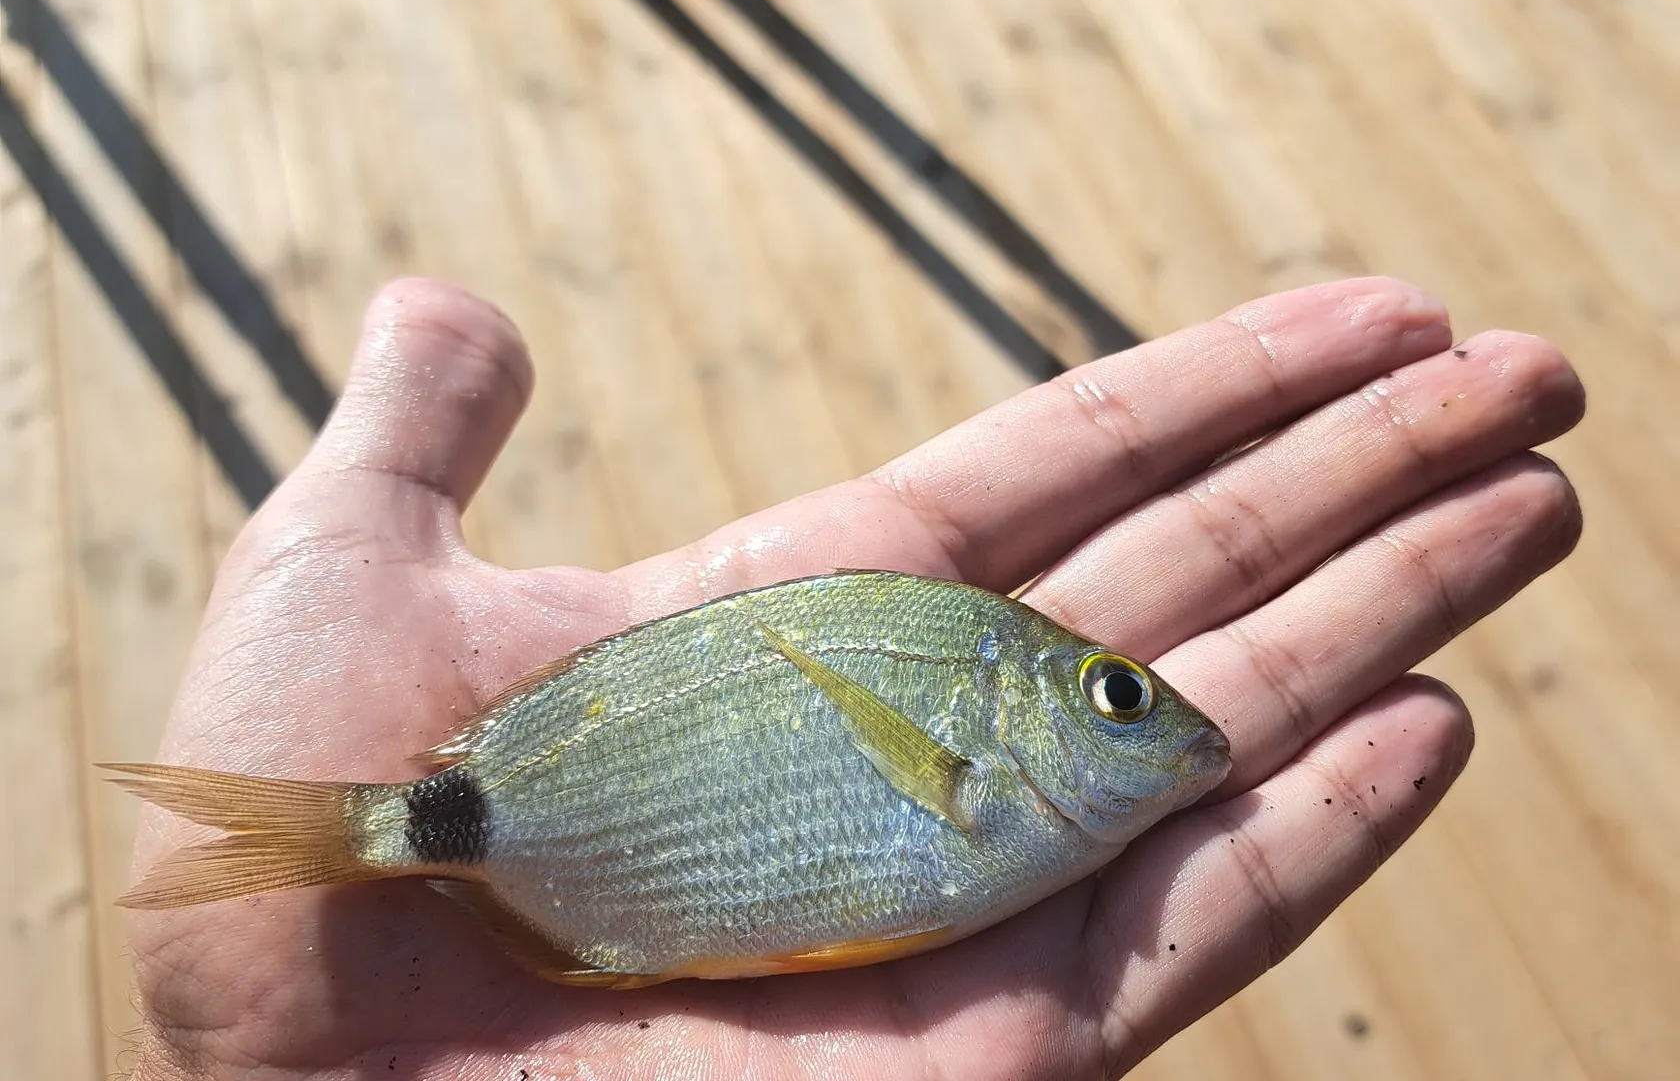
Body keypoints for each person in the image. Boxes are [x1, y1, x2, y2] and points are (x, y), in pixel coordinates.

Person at [119, 276, 1583, 1080]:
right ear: (1009, 717)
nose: (1164, 724)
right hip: (540, 844)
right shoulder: (979, 725)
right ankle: (371, 829)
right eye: (1114, 698)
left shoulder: (1003, 744)